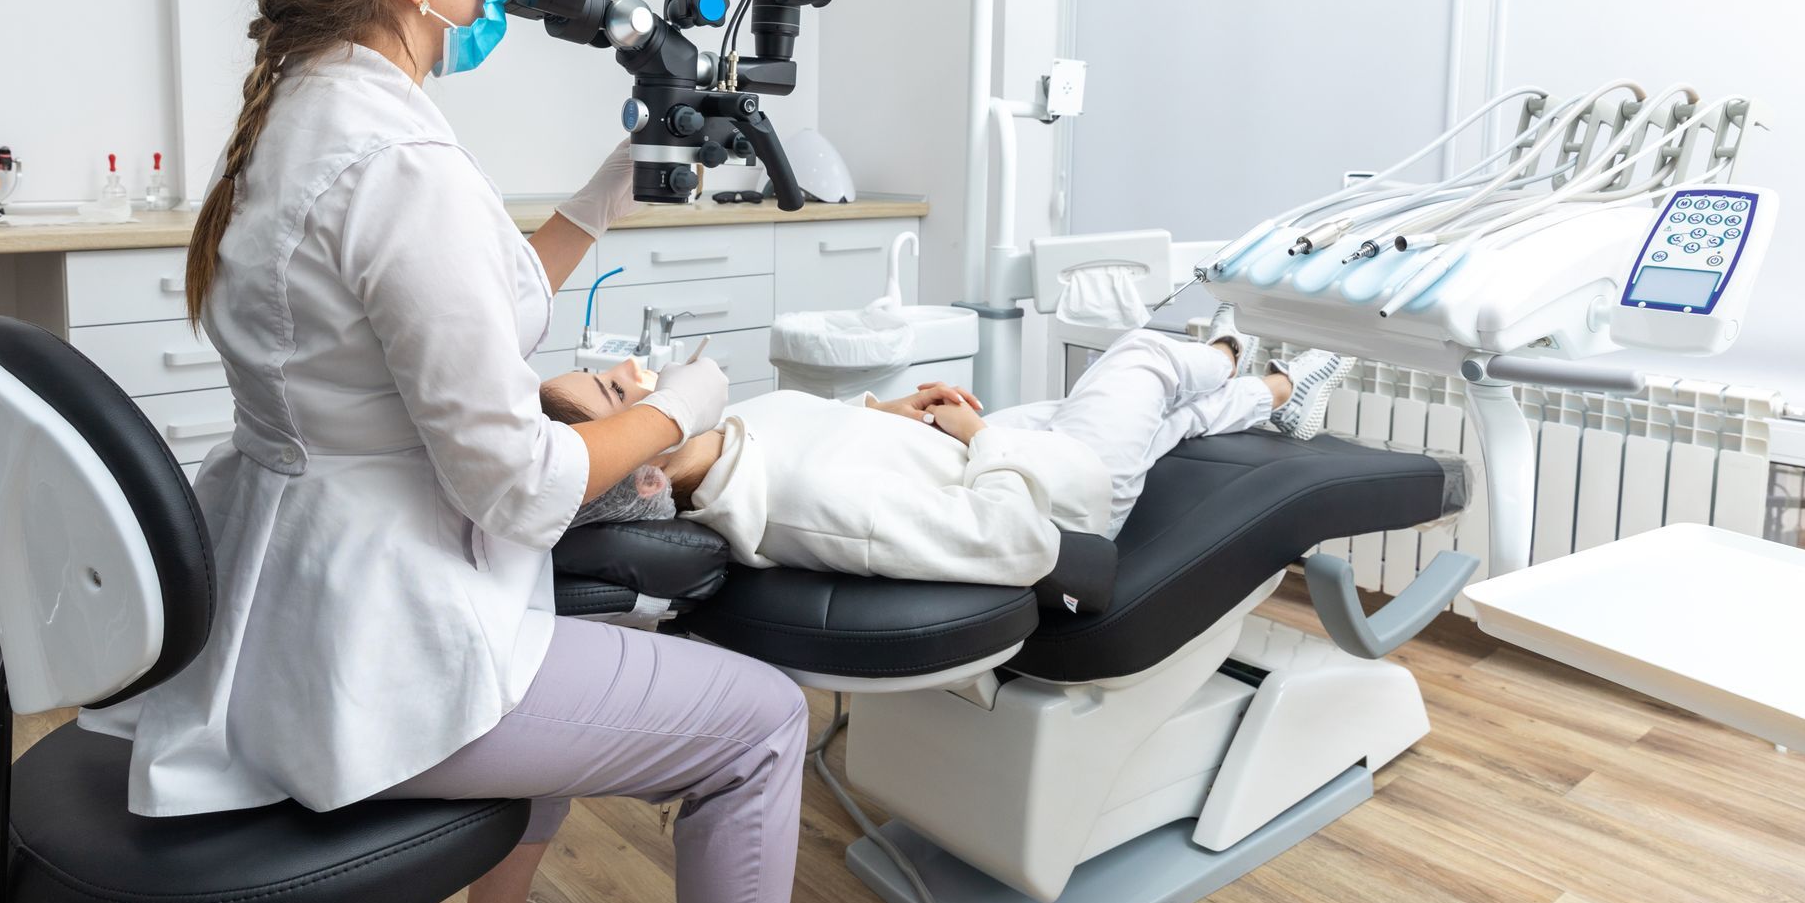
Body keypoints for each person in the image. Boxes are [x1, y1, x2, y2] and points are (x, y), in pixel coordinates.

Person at [77, 0, 806, 903]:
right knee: (762, 721)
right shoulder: (401, 161)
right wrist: (684, 406)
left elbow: (459, 301)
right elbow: (517, 486)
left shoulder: (304, 115)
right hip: (380, 654)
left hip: (289, 605)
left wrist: (611, 187)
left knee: (581, 644)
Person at [539, 306, 1353, 585]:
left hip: (980, 452)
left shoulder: (726, 451)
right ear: (646, 474)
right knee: (1141, 357)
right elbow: (1015, 539)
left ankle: (1279, 396)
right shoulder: (805, 506)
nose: (630, 367)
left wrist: (887, 412)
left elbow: (815, 433)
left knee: (1157, 420)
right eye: (616, 393)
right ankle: (1230, 353)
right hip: (1066, 489)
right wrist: (983, 434)